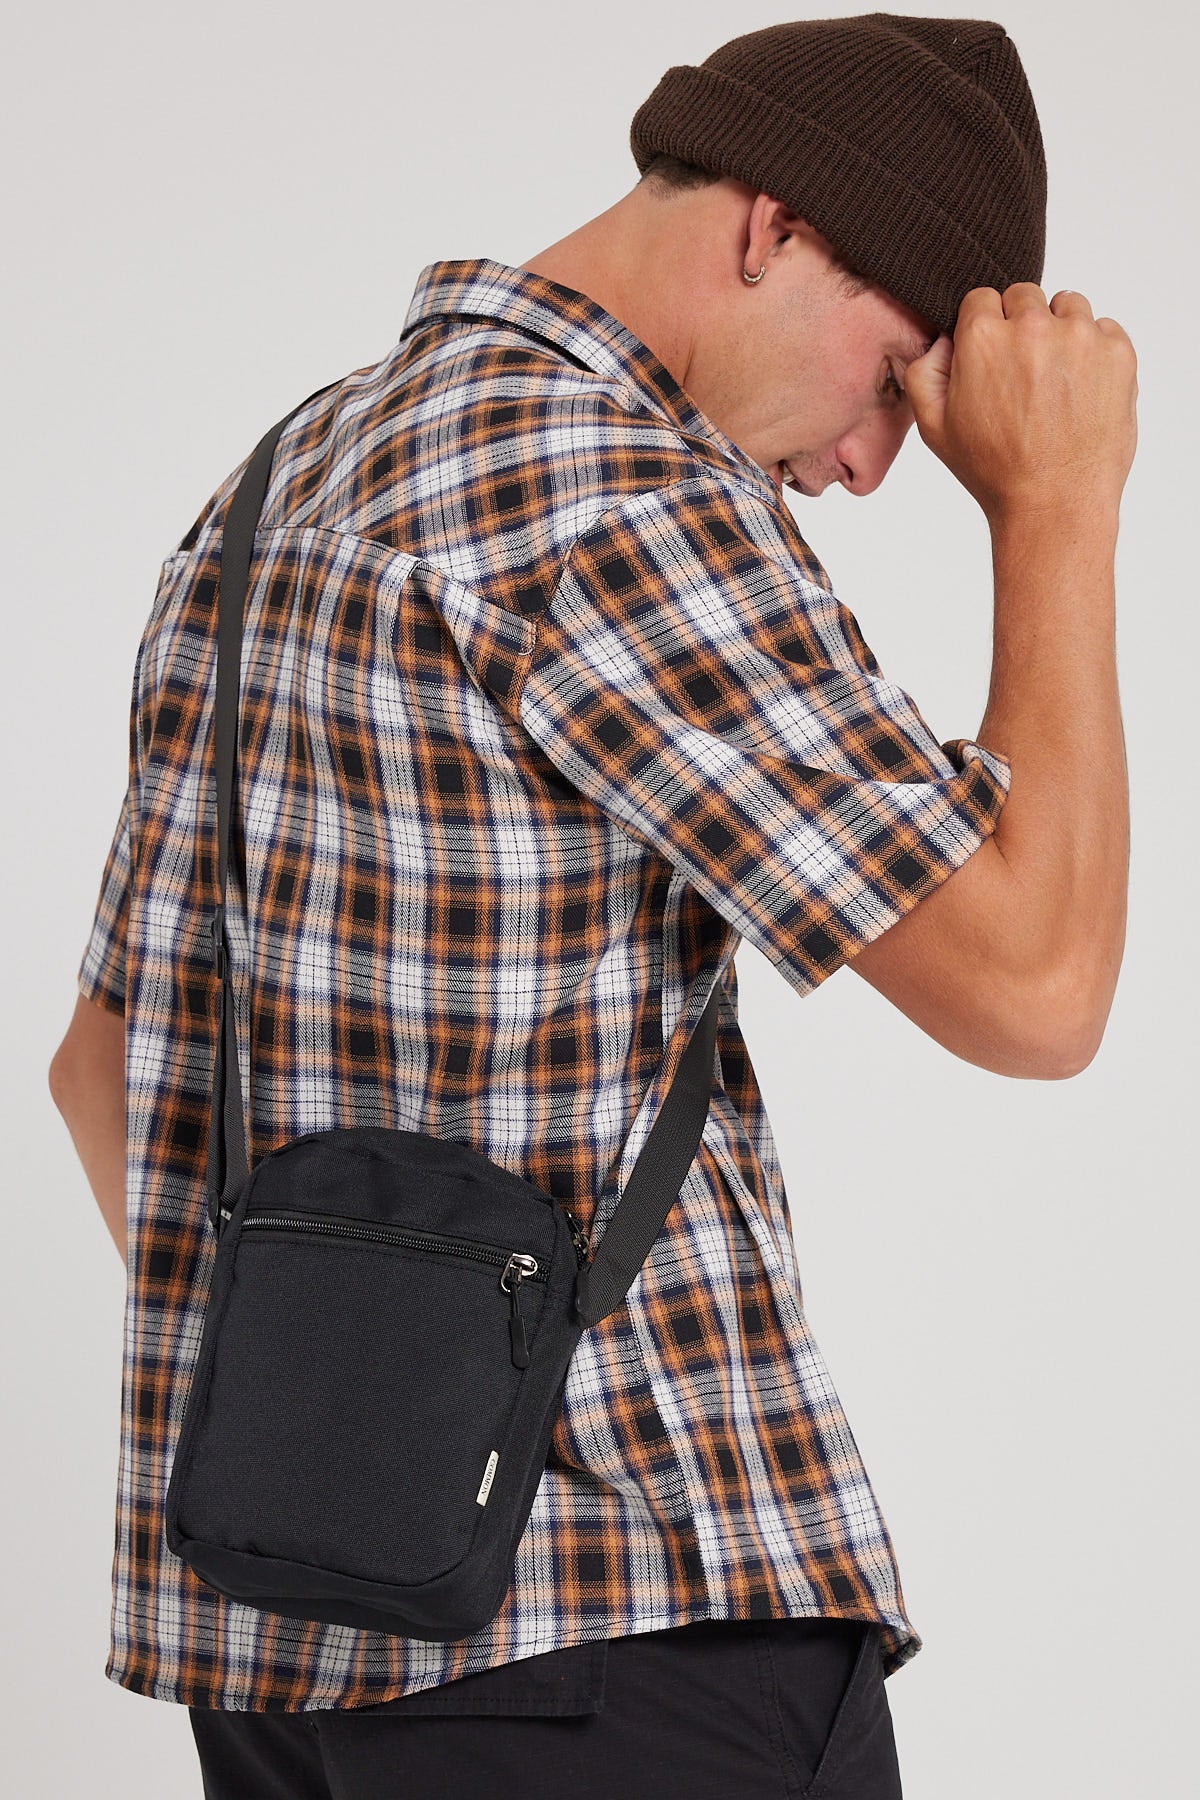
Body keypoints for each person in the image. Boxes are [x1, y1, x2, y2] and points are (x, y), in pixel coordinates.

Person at [48, 13, 1135, 1798]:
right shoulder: (620, 493)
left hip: (279, 1650)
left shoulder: (276, 485)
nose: (874, 466)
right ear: (773, 226)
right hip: (617, 1636)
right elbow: (1038, 986)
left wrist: (363, 1409)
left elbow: (104, 1068)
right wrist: (1058, 512)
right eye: (892, 379)